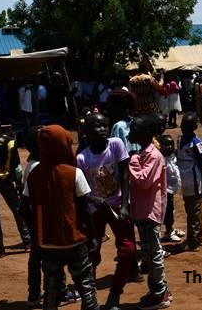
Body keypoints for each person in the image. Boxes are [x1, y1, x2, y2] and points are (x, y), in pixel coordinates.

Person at [23, 125, 99, 310]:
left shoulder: (33, 174)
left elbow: (23, 209)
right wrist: (92, 236)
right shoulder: (73, 173)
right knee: (86, 286)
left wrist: (38, 229)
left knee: (51, 288)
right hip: (74, 239)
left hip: (48, 242)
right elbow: (84, 209)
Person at [76, 112, 134, 310]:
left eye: (104, 125)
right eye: (96, 127)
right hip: (95, 210)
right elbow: (81, 192)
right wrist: (94, 199)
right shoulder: (82, 158)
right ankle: (89, 298)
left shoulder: (116, 144)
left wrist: (125, 205)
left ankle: (115, 294)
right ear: (86, 133)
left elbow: (125, 175)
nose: (102, 130)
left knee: (127, 250)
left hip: (117, 205)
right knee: (92, 253)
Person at [128, 115, 172, 309]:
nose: (130, 133)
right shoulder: (144, 154)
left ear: (146, 133)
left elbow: (144, 180)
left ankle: (159, 293)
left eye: (134, 130)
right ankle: (158, 288)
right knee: (148, 251)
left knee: (153, 252)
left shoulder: (152, 155)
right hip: (142, 210)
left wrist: (132, 161)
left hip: (149, 212)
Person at [0, 112, 32, 257]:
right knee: (18, 211)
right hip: (7, 180)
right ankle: (27, 242)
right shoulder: (9, 141)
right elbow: (16, 167)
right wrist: (19, 182)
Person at [176, 113, 202, 251]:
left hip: (194, 181)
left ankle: (193, 240)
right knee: (190, 210)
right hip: (185, 180)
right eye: (183, 125)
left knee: (194, 211)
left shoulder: (197, 143)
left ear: (194, 127)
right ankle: (196, 237)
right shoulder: (180, 139)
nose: (184, 128)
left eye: (187, 126)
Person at [158, 135, 184, 243]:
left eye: (171, 145)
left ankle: (171, 229)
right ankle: (168, 233)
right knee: (166, 212)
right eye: (166, 145)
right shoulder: (160, 159)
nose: (169, 147)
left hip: (171, 189)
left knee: (170, 210)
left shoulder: (173, 156)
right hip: (164, 191)